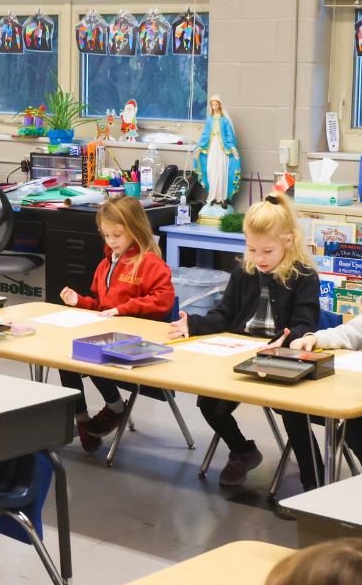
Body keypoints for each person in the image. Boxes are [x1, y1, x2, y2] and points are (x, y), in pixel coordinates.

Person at [168, 195, 323, 490]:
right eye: (252, 249)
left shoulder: (304, 276)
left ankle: (312, 484)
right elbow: (225, 314)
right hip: (240, 356)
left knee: (294, 415)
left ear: (288, 242)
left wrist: (288, 342)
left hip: (279, 359)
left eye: (267, 250)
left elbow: (305, 324)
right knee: (209, 404)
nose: (259, 258)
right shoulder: (244, 272)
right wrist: (194, 324)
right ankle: (242, 450)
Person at [58, 196, 175, 452]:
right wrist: (79, 301)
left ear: (135, 229)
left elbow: (163, 300)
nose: (111, 241)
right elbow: (102, 308)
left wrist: (124, 309)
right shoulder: (105, 264)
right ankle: (82, 420)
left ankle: (116, 407)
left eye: (117, 235)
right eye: (106, 235)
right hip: (112, 337)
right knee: (66, 362)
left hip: (138, 343)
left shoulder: (149, 263)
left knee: (96, 356)